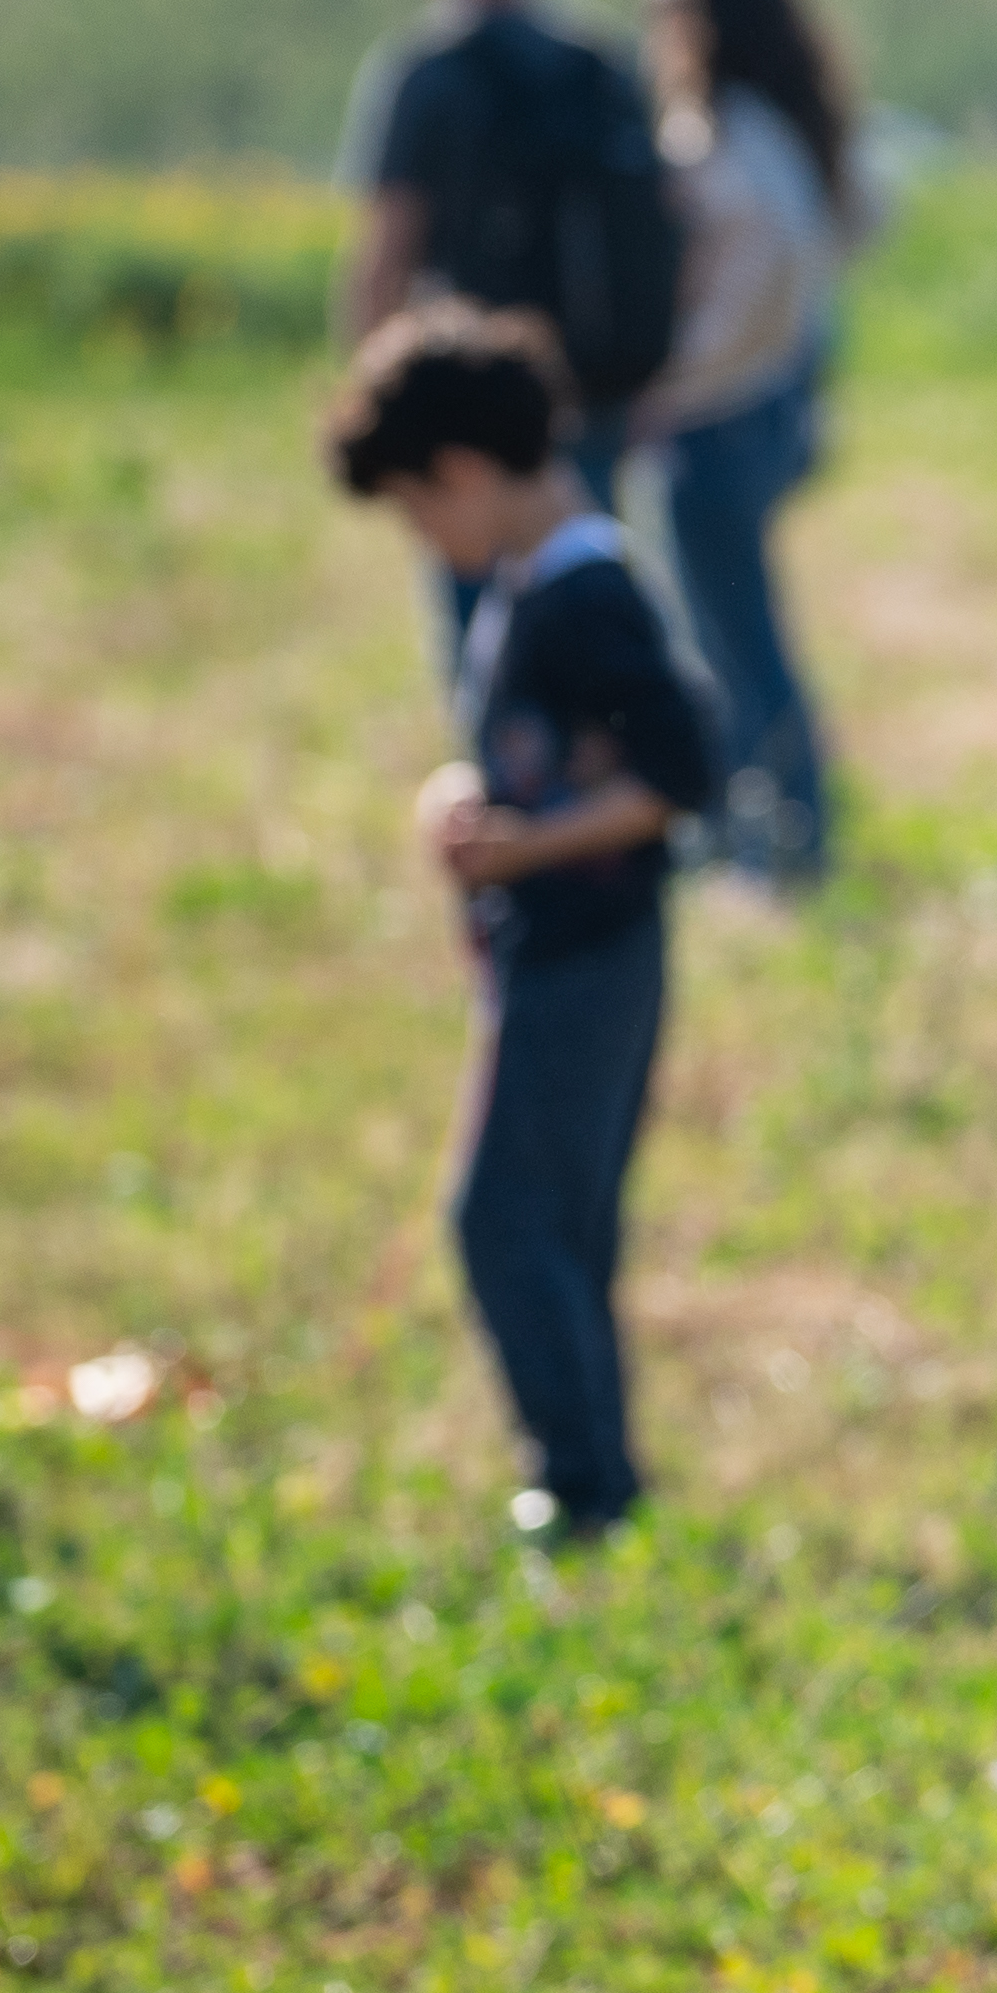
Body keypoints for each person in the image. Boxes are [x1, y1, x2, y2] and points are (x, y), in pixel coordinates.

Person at [325, 305, 720, 1550]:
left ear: (465, 471)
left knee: (503, 1218)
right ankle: (598, 1476)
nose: (424, 538)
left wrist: (525, 846)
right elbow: (551, 758)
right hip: (555, 950)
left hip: (592, 957)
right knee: (560, 1218)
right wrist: (471, 801)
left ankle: (582, 1486)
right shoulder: (525, 582)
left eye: (417, 509)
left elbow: (681, 770)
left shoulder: (584, 595)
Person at [337, 0, 678, 641]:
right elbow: (665, 232)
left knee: (481, 623)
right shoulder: (600, 65)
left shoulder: (424, 75)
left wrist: (376, 403)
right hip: (594, 387)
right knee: (591, 606)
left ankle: (504, 760)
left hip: (465, 406)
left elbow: (386, 254)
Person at [628, 0, 873, 885]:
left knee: (733, 639)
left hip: (719, 416)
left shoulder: (729, 138)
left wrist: (669, 373)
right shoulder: (788, 128)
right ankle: (748, 829)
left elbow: (759, 281)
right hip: (767, 409)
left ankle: (789, 839)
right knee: (727, 631)